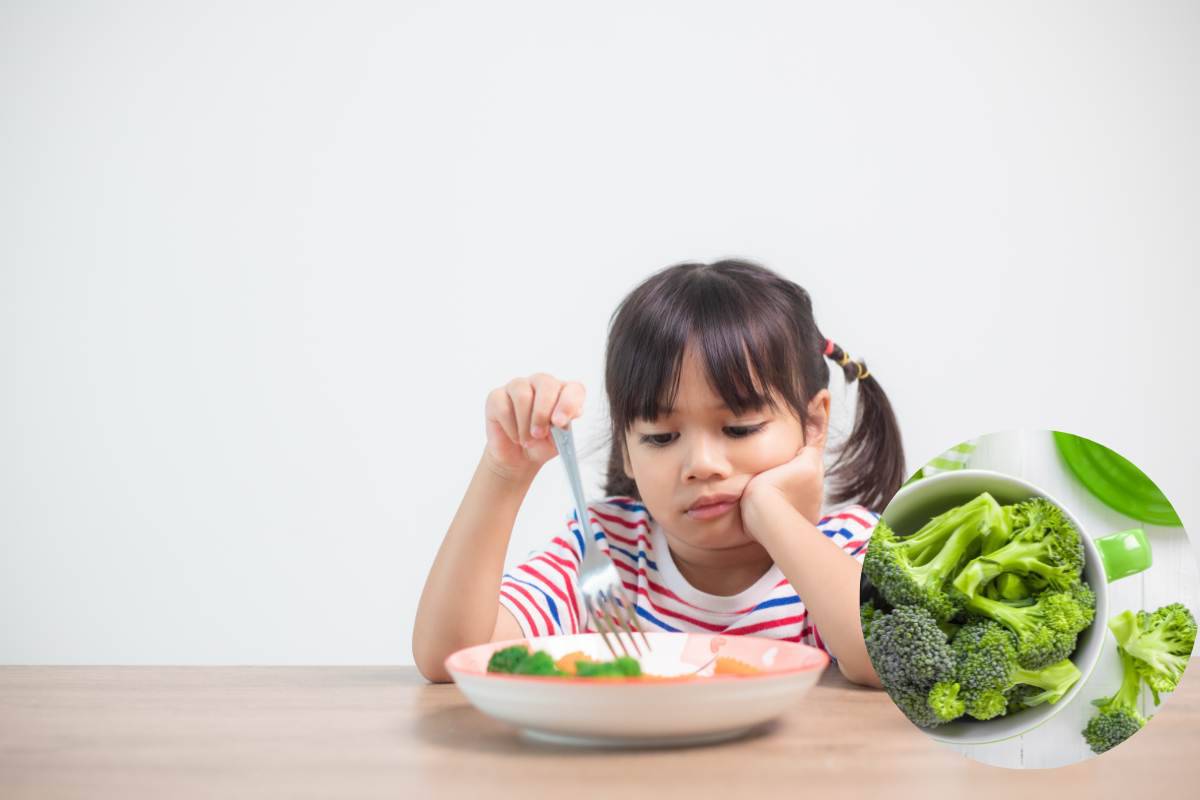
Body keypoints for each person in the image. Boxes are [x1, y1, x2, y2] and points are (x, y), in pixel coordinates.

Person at [413, 259, 904, 687]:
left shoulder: (845, 549)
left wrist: (770, 512)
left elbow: (887, 661)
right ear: (627, 448)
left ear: (813, 422)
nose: (702, 465)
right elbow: (450, 655)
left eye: (739, 428)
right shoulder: (605, 550)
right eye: (661, 438)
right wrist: (505, 472)